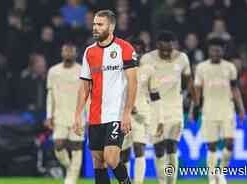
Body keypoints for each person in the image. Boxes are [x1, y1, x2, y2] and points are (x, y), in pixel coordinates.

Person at [73, 10, 137, 184]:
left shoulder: (124, 49)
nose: (95, 28)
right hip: (95, 115)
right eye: (94, 24)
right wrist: (78, 114)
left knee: (111, 158)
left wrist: (127, 113)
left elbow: (133, 83)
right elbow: (85, 86)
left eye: (100, 24)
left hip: (116, 114)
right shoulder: (89, 52)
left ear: (111, 26)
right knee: (98, 161)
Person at [142, 31, 194, 184]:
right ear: (157, 45)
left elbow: (189, 82)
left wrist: (194, 105)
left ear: (174, 45)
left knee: (171, 148)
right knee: (158, 149)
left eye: (169, 48)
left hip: (175, 110)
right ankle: (162, 182)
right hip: (155, 110)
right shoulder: (147, 59)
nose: (166, 51)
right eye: (163, 49)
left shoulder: (182, 59)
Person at [193, 38, 246, 184]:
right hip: (209, 110)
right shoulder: (202, 68)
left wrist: (241, 109)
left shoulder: (230, 67)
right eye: (213, 50)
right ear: (209, 51)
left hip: (227, 109)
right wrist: (193, 109)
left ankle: (221, 171)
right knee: (211, 146)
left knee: (230, 142)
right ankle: (212, 178)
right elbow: (197, 91)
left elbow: (235, 90)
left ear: (222, 51)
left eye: (219, 50)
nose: (216, 52)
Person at [121, 38, 163, 184]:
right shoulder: (120, 70)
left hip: (142, 115)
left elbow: (155, 97)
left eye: (139, 51)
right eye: (134, 50)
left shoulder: (149, 70)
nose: (136, 53)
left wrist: (159, 119)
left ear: (143, 53)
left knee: (139, 148)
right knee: (124, 154)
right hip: (123, 116)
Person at [45, 43, 84, 184]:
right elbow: (50, 95)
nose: (68, 53)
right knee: (58, 145)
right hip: (59, 116)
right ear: (62, 53)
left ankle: (71, 180)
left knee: (76, 147)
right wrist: (49, 116)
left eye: (71, 51)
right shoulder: (53, 71)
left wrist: (90, 115)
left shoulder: (82, 71)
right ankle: (70, 168)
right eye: (66, 51)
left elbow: (89, 95)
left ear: (76, 53)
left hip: (78, 116)